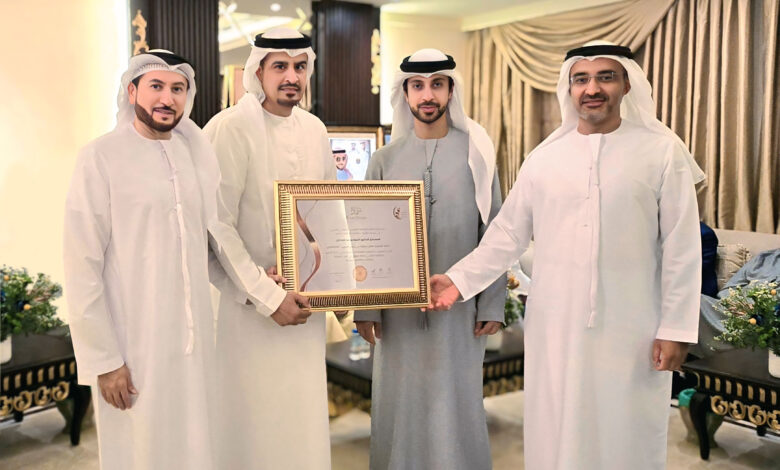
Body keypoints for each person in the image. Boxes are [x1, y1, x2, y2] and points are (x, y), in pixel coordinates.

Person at [429, 41, 705, 470]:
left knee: (626, 430)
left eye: (605, 77)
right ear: (569, 88)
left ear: (626, 84)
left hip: (633, 327)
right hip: (555, 328)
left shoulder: (661, 152)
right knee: (556, 430)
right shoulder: (544, 158)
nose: (592, 89)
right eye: (581, 79)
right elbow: (507, 234)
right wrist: (458, 279)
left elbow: (681, 247)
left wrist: (676, 329)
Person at [64, 50, 219, 469]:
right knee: (140, 451)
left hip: (193, 346)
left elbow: (210, 245)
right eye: (156, 86)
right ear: (132, 92)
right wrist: (104, 360)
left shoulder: (193, 156)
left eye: (178, 88)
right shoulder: (101, 156)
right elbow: (81, 266)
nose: (167, 99)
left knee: (195, 446)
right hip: (134, 348)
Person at [354, 49, 505, 470]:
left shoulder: (477, 154)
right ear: (404, 93)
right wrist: (366, 309)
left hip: (459, 308)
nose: (427, 95)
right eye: (417, 86)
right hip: (396, 311)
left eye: (437, 84)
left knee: (455, 400)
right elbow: (366, 237)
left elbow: (495, 232)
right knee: (399, 400)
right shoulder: (384, 160)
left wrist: (492, 303)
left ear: (451, 90)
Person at [203, 27, 333, 469]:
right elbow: (217, 226)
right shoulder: (230, 127)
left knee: (302, 421)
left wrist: (343, 285)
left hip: (307, 308)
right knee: (253, 424)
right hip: (250, 311)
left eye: (300, 66)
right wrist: (267, 296)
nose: (291, 76)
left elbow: (328, 214)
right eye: (280, 66)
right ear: (258, 71)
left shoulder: (315, 129)